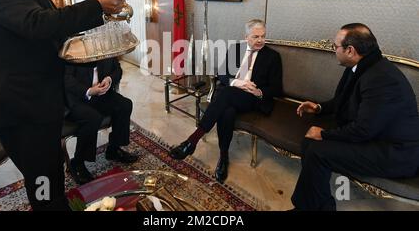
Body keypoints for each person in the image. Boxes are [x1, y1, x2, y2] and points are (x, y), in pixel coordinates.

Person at [0, 0, 128, 211]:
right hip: (19, 107)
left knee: (51, 171)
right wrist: (96, 4)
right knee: (43, 179)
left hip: (39, 104)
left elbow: (54, 35)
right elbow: (38, 24)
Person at [291, 23, 419, 211]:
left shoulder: (381, 79)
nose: (334, 50)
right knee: (309, 143)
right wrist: (318, 107)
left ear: (350, 50)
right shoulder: (362, 66)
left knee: (318, 151)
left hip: (395, 152)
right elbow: (341, 101)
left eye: (335, 46)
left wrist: (325, 134)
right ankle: (317, 206)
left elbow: (364, 130)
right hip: (374, 137)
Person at [169, 19, 283, 183]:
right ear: (246, 37)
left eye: (263, 36)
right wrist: (238, 82)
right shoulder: (235, 49)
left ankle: (192, 140)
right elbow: (221, 74)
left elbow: (277, 88)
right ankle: (223, 157)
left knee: (226, 94)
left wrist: (259, 91)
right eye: (255, 36)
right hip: (231, 94)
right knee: (227, 111)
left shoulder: (273, 57)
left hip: (252, 98)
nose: (260, 40)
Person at [64, 58, 138, 185]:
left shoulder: (103, 44)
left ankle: (113, 150)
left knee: (125, 105)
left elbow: (117, 69)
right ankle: (77, 163)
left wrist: (109, 79)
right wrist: (89, 91)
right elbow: (66, 79)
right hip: (77, 98)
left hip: (101, 94)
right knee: (92, 117)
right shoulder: (74, 48)